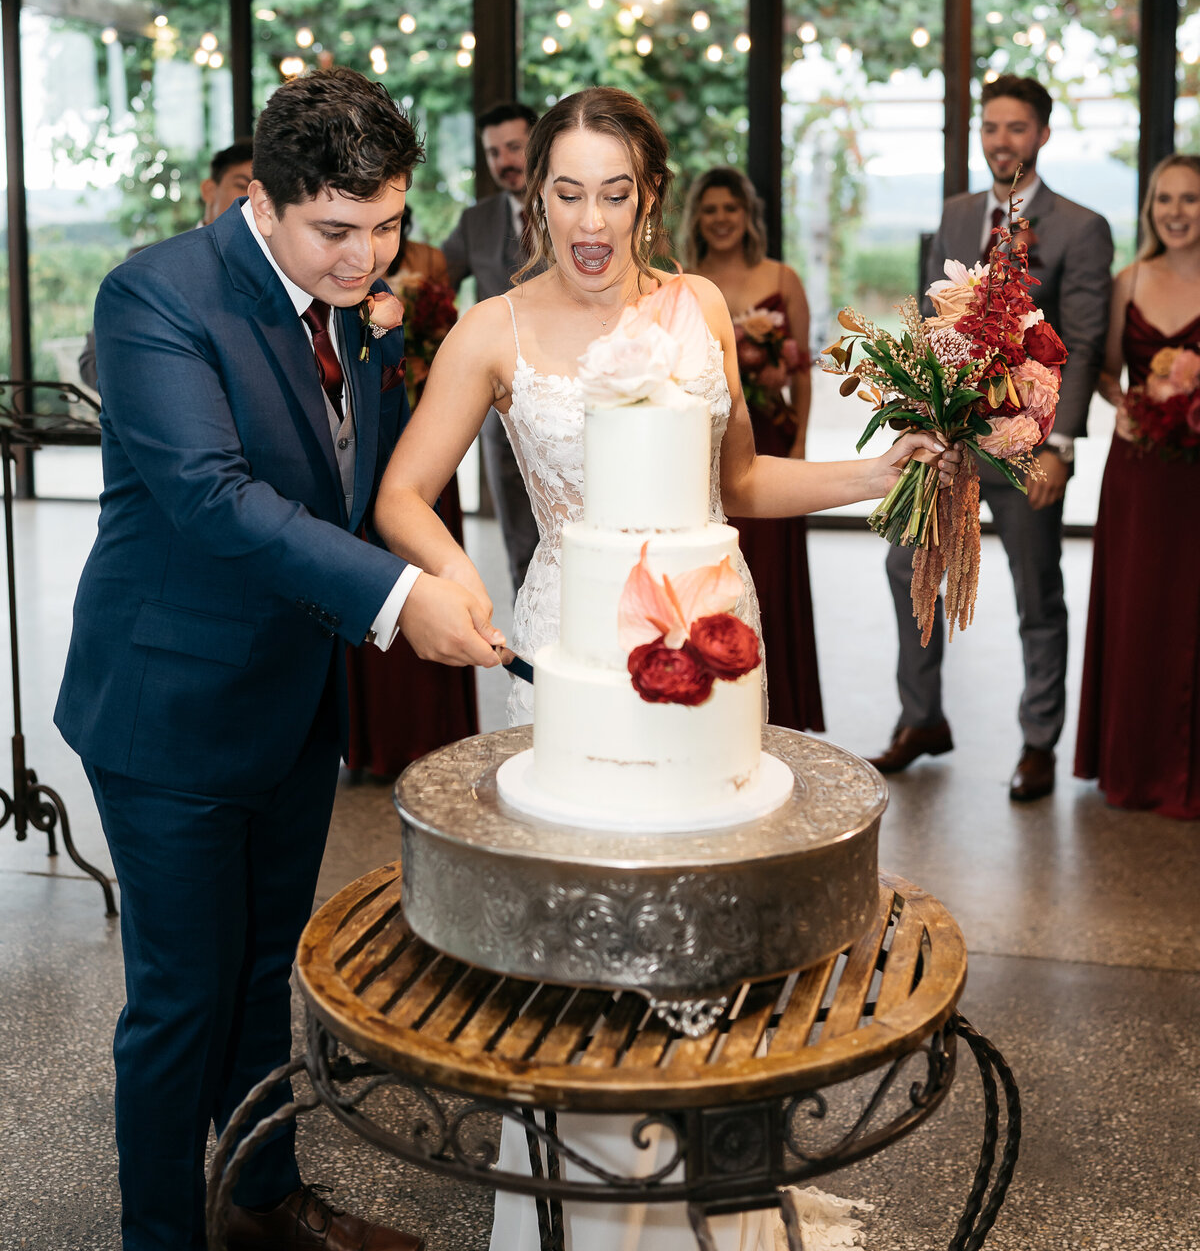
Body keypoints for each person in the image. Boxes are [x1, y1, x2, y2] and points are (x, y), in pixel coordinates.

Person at [375, 86, 957, 1251]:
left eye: (616, 192)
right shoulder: (492, 328)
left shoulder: (697, 304)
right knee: (589, 928)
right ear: (532, 193)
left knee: (710, 914)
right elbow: (400, 494)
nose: (591, 220)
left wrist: (873, 472)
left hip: (714, 633)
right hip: (573, 646)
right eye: (567, 191)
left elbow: (736, 486)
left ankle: (716, 1185)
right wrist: (459, 578)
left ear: (651, 196)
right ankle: (591, 1203)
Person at [55, 69, 507, 1251]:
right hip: (169, 708)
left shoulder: (346, 300)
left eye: (389, 224)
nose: (368, 259)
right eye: (337, 231)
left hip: (291, 701)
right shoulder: (156, 295)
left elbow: (341, 473)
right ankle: (160, 1235)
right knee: (180, 1003)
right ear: (265, 196)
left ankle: (266, 1199)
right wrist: (400, 596)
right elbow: (213, 499)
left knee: (267, 979)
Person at [871, 72, 1113, 803]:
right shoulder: (954, 216)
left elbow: (1088, 342)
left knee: (1035, 588)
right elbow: (928, 322)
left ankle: (1039, 740)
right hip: (945, 437)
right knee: (904, 567)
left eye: (1016, 127)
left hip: (1025, 443)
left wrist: (1057, 446)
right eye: (990, 127)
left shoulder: (1080, 227)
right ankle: (922, 719)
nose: (1001, 140)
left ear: (1042, 133)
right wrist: (917, 415)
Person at [1075, 153, 1200, 818]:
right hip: (1143, 472)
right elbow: (1105, 368)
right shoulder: (1128, 282)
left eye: (1190, 199)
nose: (1176, 212)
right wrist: (1127, 406)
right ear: (1150, 209)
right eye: (1164, 200)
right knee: (1140, 607)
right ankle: (1137, 765)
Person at [681, 165, 824, 731]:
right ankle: (721, 701)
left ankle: (782, 709)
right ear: (698, 218)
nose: (720, 219)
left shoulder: (783, 277)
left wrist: (803, 441)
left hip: (775, 435)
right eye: (710, 209)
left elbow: (804, 371)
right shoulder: (684, 281)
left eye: (730, 209)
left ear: (748, 216)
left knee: (776, 574)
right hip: (712, 442)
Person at [345, 208, 478, 779]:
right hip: (363, 465)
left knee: (437, 590)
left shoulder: (429, 264)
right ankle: (375, 742)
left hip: (420, 435)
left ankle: (434, 733)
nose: (373, 243)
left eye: (387, 224)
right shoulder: (336, 280)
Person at [441, 100, 540, 595]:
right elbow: (431, 279)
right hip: (500, 402)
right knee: (519, 538)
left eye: (514, 147)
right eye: (493, 151)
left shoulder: (573, 206)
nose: (504, 160)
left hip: (572, 393)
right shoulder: (476, 220)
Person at [79, 137, 256, 392]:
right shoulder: (146, 263)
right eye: (242, 185)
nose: (252, 200)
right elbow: (93, 364)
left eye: (265, 191)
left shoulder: (282, 269)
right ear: (209, 190)